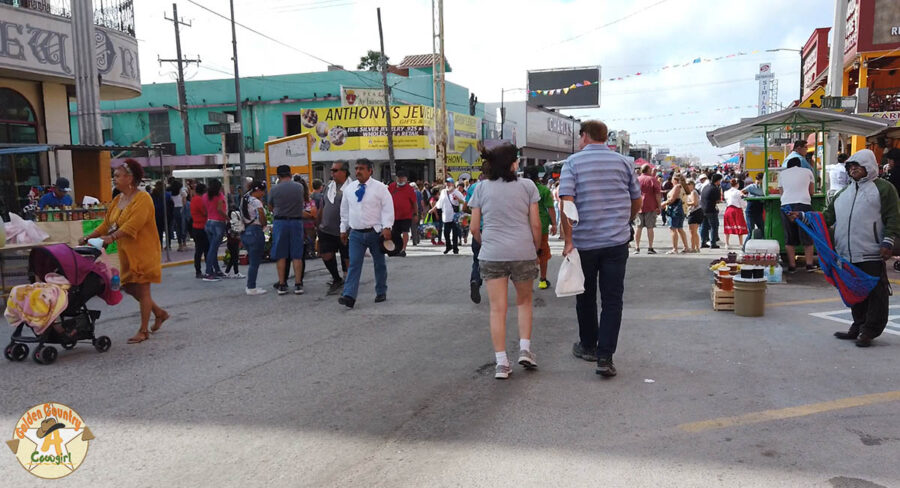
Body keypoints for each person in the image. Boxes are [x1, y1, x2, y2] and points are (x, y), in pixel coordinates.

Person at [559, 120, 642, 378]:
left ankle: (588, 345)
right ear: (605, 138)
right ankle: (605, 357)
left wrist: (568, 240)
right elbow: (636, 199)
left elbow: (567, 202)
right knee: (612, 299)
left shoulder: (572, 163)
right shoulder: (624, 163)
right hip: (616, 242)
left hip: (585, 242)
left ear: (584, 136)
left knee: (584, 295)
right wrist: (624, 220)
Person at [794, 149, 900, 347]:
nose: (852, 170)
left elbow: (893, 217)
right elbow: (827, 218)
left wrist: (888, 241)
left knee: (876, 293)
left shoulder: (884, 189)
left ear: (868, 166)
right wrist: (802, 216)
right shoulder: (843, 193)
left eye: (856, 166)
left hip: (871, 250)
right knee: (854, 290)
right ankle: (858, 325)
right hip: (845, 253)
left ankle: (869, 330)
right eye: (850, 167)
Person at [468, 142, 541, 380]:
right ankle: (525, 349)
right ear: (511, 163)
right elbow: (536, 224)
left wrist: (486, 241)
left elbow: (474, 228)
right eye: (517, 159)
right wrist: (536, 248)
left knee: (497, 309)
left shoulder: (480, 188)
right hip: (523, 251)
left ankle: (501, 363)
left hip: (492, 253)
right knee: (524, 302)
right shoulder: (528, 186)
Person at [79, 159, 168, 344]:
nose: (115, 179)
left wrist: (111, 238)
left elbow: (132, 225)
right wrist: (90, 236)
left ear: (130, 178)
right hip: (127, 251)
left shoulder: (143, 199)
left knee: (143, 289)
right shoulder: (118, 199)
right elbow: (107, 223)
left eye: (118, 176)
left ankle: (143, 330)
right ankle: (159, 313)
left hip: (144, 251)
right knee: (128, 286)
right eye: (115, 176)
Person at [338, 158, 394, 309]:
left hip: (375, 232)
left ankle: (381, 291)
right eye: (356, 168)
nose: (358, 171)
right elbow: (344, 211)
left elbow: (387, 207)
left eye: (362, 168)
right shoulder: (349, 189)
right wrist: (343, 229)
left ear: (370, 171)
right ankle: (349, 295)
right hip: (356, 233)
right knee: (354, 264)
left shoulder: (380, 188)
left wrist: (387, 226)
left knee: (379, 263)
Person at [268, 165, 306, 295]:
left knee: (281, 254)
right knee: (297, 254)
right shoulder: (299, 187)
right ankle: (298, 284)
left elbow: (270, 206)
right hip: (296, 221)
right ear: (290, 174)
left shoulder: (274, 189)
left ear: (278, 176)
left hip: (280, 222)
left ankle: (282, 284)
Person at [318, 160, 351, 295]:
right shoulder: (329, 187)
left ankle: (349, 283)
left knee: (347, 257)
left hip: (346, 230)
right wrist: (318, 224)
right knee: (326, 255)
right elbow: (323, 205)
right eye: (332, 170)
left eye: (335, 170)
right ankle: (336, 279)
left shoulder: (352, 187)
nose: (332, 173)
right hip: (326, 229)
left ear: (344, 172)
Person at [779, 156, 816, 273]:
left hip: (786, 206)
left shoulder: (782, 174)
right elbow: (811, 192)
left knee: (789, 236)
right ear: (800, 164)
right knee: (807, 235)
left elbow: (781, 192)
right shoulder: (808, 171)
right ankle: (809, 265)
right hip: (804, 205)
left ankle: (792, 266)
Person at [522, 166, 557, 288]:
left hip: (523, 226)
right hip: (541, 226)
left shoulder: (520, 190)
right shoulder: (544, 190)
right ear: (538, 176)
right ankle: (542, 280)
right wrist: (554, 224)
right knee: (543, 253)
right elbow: (551, 208)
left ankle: (526, 281)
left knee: (525, 254)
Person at [240, 180, 268, 295]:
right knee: (254, 262)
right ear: (257, 190)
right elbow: (261, 216)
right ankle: (251, 287)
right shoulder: (256, 202)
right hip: (255, 230)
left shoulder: (244, 198)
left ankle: (251, 285)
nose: (263, 194)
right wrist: (264, 223)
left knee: (252, 260)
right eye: (263, 191)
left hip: (245, 231)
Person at [431, 177, 465, 254]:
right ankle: (448, 246)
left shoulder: (457, 192)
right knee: (446, 233)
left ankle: (455, 248)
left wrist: (458, 200)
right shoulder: (443, 192)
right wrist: (433, 209)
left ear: (453, 184)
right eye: (447, 183)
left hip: (454, 216)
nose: (448, 184)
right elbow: (440, 202)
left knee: (455, 233)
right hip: (446, 215)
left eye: (449, 183)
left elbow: (464, 201)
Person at [388, 169, 418, 256]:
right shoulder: (392, 187)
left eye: (403, 178)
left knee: (405, 232)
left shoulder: (409, 189)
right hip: (394, 216)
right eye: (399, 178)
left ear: (406, 179)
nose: (401, 180)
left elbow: (414, 203)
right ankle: (396, 249)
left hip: (406, 215)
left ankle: (403, 249)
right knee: (395, 234)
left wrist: (415, 214)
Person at [202, 179, 227, 281]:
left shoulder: (204, 196)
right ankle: (208, 271)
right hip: (218, 223)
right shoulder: (220, 196)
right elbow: (220, 209)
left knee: (213, 248)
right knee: (213, 249)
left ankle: (216, 270)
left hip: (208, 222)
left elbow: (205, 209)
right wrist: (228, 218)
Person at [465, 172, 484, 303]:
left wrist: (474, 213)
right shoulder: (498, 187)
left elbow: (465, 207)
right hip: (495, 230)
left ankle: (475, 280)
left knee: (477, 259)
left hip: (478, 227)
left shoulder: (473, 188)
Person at [634, 164, 661, 254]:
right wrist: (659, 206)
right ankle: (650, 247)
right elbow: (658, 195)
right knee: (650, 227)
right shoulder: (652, 179)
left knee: (638, 227)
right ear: (649, 170)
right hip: (650, 205)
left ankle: (637, 247)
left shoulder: (637, 179)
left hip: (639, 205)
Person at [660, 174, 688, 254]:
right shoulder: (682, 186)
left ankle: (675, 248)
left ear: (674, 179)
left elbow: (672, 199)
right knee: (680, 228)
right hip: (681, 209)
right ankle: (686, 247)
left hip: (675, 210)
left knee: (673, 229)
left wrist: (664, 203)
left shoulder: (677, 187)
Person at [190, 183, 208, 279]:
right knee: (204, 250)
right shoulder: (200, 200)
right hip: (201, 227)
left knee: (199, 250)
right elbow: (205, 212)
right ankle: (204, 270)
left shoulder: (194, 199)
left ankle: (199, 270)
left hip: (196, 226)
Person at [723, 178, 748, 249]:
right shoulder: (739, 192)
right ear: (737, 184)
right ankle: (740, 244)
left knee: (727, 226)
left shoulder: (726, 192)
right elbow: (743, 203)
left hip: (728, 210)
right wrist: (744, 205)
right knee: (739, 226)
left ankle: (727, 243)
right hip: (737, 210)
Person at [699, 173, 723, 249]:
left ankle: (703, 242)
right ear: (717, 181)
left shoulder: (705, 187)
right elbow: (718, 200)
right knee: (714, 226)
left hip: (703, 209)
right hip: (711, 210)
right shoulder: (715, 188)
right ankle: (713, 243)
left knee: (704, 226)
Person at [742, 173, 765, 242]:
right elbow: (742, 192)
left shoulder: (765, 188)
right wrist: (744, 196)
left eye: (760, 182)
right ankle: (745, 248)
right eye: (757, 181)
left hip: (759, 212)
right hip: (750, 212)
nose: (758, 183)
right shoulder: (751, 187)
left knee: (763, 230)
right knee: (751, 231)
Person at [151, 181, 174, 249]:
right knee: (168, 230)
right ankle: (168, 245)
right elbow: (171, 204)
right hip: (167, 215)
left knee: (158, 231)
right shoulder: (167, 195)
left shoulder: (152, 194)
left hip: (156, 214)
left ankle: (159, 245)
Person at [169, 179, 187, 251]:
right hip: (181, 209)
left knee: (177, 228)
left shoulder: (171, 193)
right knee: (183, 226)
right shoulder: (182, 192)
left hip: (174, 209)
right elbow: (184, 202)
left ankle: (179, 244)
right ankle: (184, 243)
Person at [685, 179, 702, 252]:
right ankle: (697, 247)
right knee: (694, 231)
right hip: (693, 212)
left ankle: (693, 247)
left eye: (689, 184)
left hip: (695, 212)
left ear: (692, 185)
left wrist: (685, 203)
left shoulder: (693, 192)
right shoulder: (689, 192)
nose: (687, 185)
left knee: (692, 231)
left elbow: (695, 203)